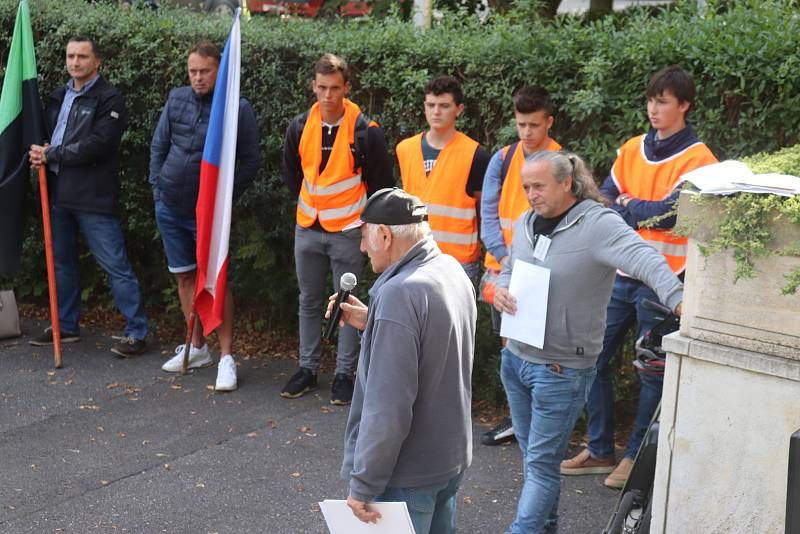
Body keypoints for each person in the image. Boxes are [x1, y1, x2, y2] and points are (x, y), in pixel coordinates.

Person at [493, 150, 683, 533]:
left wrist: (679, 300)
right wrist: (499, 289)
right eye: (526, 186)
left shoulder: (598, 224)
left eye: (539, 186)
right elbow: (511, 268)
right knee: (535, 462)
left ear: (567, 183)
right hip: (515, 360)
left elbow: (646, 258)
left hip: (561, 370)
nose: (531, 194)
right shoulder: (527, 221)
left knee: (542, 465)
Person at [560, 65, 717, 489]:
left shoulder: (700, 160)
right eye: (650, 99)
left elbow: (672, 216)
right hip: (617, 273)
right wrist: (634, 206)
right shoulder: (631, 148)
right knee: (590, 359)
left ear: (684, 105)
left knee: (653, 372)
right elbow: (604, 198)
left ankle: (634, 458)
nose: (653, 108)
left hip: (666, 279)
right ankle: (600, 449)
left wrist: (631, 205)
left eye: (663, 101)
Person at [334, 188, 476, 534]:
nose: (362, 248)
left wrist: (363, 484)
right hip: (448, 461)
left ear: (383, 235)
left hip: (406, 475)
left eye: (364, 237)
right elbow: (434, 349)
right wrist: (373, 322)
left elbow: (388, 407)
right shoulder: (449, 268)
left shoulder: (399, 294)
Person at [281, 53, 393, 404]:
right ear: (313, 86)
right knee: (309, 300)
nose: (328, 95)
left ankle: (345, 374)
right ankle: (307, 368)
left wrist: (367, 230)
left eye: (335, 88)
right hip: (308, 227)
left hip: (348, 230)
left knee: (346, 302)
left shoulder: (366, 131)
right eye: (322, 87)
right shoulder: (299, 125)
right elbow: (293, 176)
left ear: (346, 88)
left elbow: (381, 186)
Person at [149, 39, 261, 391]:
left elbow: (252, 161)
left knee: (216, 280)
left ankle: (226, 356)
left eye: (205, 71)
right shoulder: (176, 98)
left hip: (209, 213)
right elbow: (159, 145)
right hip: (170, 205)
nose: (198, 78)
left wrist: (224, 198)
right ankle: (198, 347)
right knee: (184, 278)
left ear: (219, 70)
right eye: (193, 71)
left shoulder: (235, 108)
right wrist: (157, 189)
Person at [28, 36, 148, 357]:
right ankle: (66, 325)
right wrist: (40, 153)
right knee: (62, 263)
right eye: (70, 56)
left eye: (82, 56)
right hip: (57, 191)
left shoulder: (109, 99)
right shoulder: (57, 96)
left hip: (93, 195)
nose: (75, 62)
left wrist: (52, 155)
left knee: (114, 264)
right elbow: (45, 137)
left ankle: (136, 331)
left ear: (97, 62)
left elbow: (98, 145)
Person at [479, 85, 562, 447]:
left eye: (533, 125)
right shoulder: (503, 158)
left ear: (548, 123)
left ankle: (533, 422)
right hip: (503, 268)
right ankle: (517, 419)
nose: (526, 132)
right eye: (520, 124)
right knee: (508, 345)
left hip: (543, 272)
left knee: (538, 351)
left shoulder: (563, 162)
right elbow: (487, 214)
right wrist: (510, 259)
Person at [396, 75, 490, 283]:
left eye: (444, 106)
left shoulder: (475, 154)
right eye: (431, 105)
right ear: (424, 106)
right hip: (414, 255)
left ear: (459, 109)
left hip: (457, 261)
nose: (436, 112)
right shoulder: (405, 149)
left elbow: (485, 211)